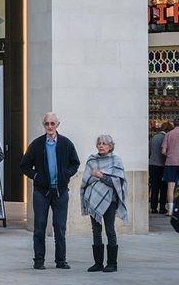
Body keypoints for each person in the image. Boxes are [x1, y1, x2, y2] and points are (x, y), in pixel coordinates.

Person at [20, 113, 80, 270]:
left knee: (60, 227)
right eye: (47, 124)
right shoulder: (37, 144)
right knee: (39, 227)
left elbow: (75, 162)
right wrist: (36, 176)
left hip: (60, 192)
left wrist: (66, 174)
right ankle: (38, 260)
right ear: (44, 126)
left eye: (53, 123)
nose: (50, 126)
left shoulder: (66, 144)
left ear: (57, 125)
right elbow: (24, 165)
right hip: (41, 192)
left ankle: (61, 261)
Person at [80, 133, 128, 273]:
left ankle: (112, 263)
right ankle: (98, 263)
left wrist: (101, 176)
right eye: (99, 143)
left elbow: (118, 182)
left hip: (110, 201)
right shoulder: (92, 160)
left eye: (104, 144)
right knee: (96, 231)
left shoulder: (116, 161)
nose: (101, 146)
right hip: (94, 201)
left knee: (110, 230)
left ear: (110, 146)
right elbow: (86, 180)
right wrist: (97, 178)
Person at [149, 122, 171, 214]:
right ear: (167, 129)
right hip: (162, 165)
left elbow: (149, 151)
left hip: (152, 164)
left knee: (154, 187)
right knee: (163, 187)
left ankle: (153, 208)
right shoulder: (166, 137)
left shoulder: (153, 137)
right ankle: (162, 208)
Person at [161, 117, 179, 215]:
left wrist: (169, 154)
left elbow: (163, 151)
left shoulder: (168, 134)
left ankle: (171, 210)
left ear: (173, 124)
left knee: (170, 187)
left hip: (171, 163)